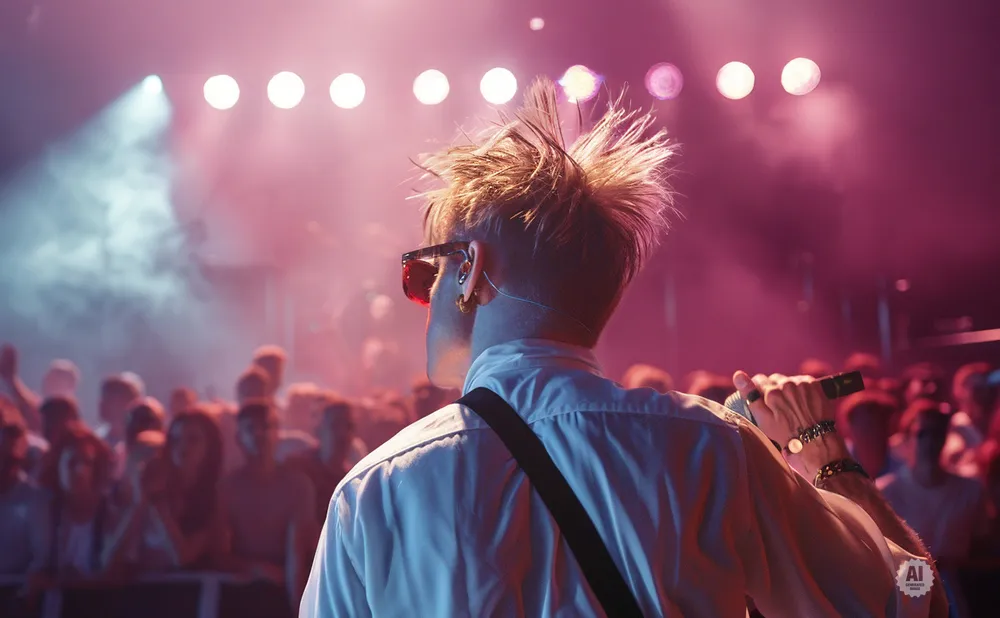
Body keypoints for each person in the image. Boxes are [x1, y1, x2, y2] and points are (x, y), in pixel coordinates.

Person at [303, 79, 945, 617]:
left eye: (427, 272)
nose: (425, 296)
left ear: (470, 269)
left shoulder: (376, 490)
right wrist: (827, 458)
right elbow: (913, 598)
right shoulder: (708, 447)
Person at [879, 400, 989, 617]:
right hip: (907, 595)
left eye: (937, 434)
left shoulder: (971, 489)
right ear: (907, 439)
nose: (930, 442)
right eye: (922, 434)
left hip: (960, 592)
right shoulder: (885, 493)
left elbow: (982, 545)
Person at [221, 400, 315, 612]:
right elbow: (217, 553)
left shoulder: (297, 485)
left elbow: (296, 555)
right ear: (239, 438)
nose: (259, 435)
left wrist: (298, 610)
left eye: (266, 427)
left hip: (286, 589)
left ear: (277, 434)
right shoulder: (227, 487)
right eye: (250, 428)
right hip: (240, 591)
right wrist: (257, 569)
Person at [287, 396, 357, 525]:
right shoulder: (296, 469)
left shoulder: (353, 481)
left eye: (348, 426)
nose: (342, 434)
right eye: (335, 425)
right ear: (318, 431)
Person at [941, 362, 994, 478]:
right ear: (959, 392)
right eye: (975, 388)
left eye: (984, 388)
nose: (981, 394)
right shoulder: (957, 426)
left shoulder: (993, 425)